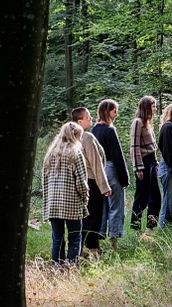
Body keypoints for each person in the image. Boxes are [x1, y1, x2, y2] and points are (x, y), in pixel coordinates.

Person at [42, 122, 89, 265]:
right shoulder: (75, 153)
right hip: (72, 204)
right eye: (79, 136)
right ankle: (71, 266)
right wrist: (85, 197)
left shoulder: (50, 155)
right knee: (75, 237)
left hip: (53, 205)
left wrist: (47, 203)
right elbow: (81, 181)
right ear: (74, 136)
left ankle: (57, 266)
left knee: (57, 238)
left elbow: (44, 182)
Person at [72, 107, 111, 258]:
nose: (91, 119)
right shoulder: (87, 137)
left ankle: (79, 251)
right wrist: (104, 187)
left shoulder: (70, 137)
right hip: (92, 182)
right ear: (79, 121)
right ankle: (93, 252)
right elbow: (96, 164)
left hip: (78, 182)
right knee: (93, 218)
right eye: (88, 118)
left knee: (83, 218)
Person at [93, 99, 129, 249]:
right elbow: (117, 155)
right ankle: (114, 242)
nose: (116, 114)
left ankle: (99, 237)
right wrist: (124, 178)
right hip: (111, 169)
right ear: (107, 111)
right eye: (115, 111)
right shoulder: (110, 130)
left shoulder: (94, 130)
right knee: (116, 206)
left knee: (102, 207)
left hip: (98, 171)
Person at [129, 95, 161, 234]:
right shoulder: (138, 122)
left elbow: (152, 147)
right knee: (141, 197)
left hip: (151, 163)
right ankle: (136, 229)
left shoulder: (148, 123)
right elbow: (134, 146)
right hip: (142, 163)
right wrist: (138, 167)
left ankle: (150, 229)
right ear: (146, 107)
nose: (155, 109)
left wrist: (155, 162)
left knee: (155, 197)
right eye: (153, 106)